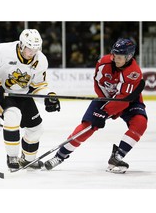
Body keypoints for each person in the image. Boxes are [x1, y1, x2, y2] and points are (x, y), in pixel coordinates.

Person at [44, 38, 148, 174]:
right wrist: (103, 103)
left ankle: (117, 156)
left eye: (120, 57)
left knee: (140, 123)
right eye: (114, 55)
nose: (116, 59)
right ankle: (59, 156)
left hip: (129, 100)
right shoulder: (104, 63)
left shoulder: (133, 72)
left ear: (129, 57)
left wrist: (106, 111)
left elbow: (124, 99)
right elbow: (98, 83)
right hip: (106, 98)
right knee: (87, 126)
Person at [0, 29, 60, 171]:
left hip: (23, 95)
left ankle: (27, 159)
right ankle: (12, 157)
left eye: (35, 49)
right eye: (29, 48)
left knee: (36, 129)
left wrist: (48, 98)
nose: (32, 53)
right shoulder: (3, 50)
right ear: (21, 45)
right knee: (12, 116)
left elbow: (38, 86)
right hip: (2, 95)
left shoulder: (41, 60)